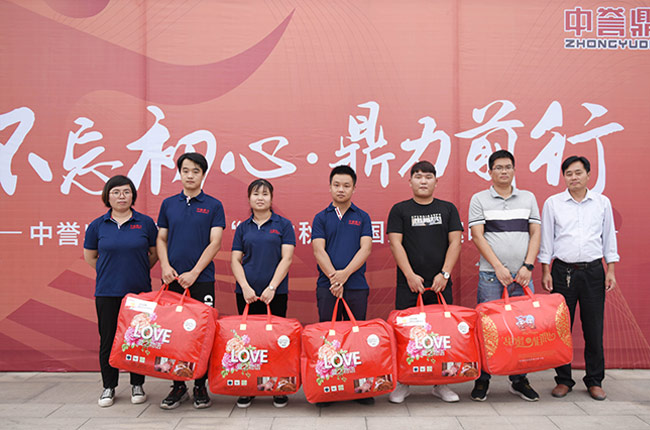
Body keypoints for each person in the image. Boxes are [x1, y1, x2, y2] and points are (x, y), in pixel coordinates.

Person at [539, 155, 619, 401]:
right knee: (561, 328)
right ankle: (564, 380)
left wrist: (610, 269)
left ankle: (594, 380)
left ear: (588, 175)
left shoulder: (602, 203)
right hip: (563, 272)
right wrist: (545, 270)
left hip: (594, 271)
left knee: (594, 328)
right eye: (569, 174)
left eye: (578, 173)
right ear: (564, 177)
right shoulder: (553, 203)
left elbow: (609, 237)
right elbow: (547, 239)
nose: (573, 177)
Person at [386, 160, 463, 404]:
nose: (423, 181)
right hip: (409, 284)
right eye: (418, 176)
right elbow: (395, 243)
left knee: (441, 334)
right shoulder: (399, 210)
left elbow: (455, 242)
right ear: (410, 181)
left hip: (440, 284)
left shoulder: (447, 209)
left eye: (428, 177)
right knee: (407, 335)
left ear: (436, 182)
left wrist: (445, 274)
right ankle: (403, 382)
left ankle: (441, 383)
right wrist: (409, 274)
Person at [468, 149, 542, 402]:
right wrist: (498, 267)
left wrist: (528, 266)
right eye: (498, 167)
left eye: (508, 167)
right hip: (492, 276)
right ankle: (483, 379)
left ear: (514, 170)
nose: (503, 171)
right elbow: (477, 236)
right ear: (490, 172)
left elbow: (535, 233)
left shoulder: (528, 198)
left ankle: (519, 380)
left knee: (523, 331)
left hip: (522, 277)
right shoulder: (479, 199)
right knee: (487, 329)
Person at [157, 152, 225, 409]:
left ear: (203, 174)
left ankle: (199, 385)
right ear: (180, 173)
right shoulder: (168, 204)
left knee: (202, 333)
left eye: (196, 171)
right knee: (172, 332)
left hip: (201, 279)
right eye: (185, 170)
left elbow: (215, 242)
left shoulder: (214, 205)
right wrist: (165, 266)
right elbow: (161, 239)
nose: (190, 175)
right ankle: (177, 386)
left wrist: (195, 272)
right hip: (172, 279)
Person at [83, 175, 158, 407]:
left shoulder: (145, 223)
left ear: (133, 195)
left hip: (139, 293)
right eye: (115, 192)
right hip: (107, 291)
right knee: (108, 339)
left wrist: (136, 269)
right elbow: (90, 257)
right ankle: (109, 386)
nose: (121, 196)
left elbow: (154, 254)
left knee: (138, 339)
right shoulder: (97, 225)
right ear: (107, 197)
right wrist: (111, 271)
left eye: (126, 192)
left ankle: (137, 384)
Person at [230, 179, 296, 409]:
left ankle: (277, 386)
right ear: (249, 198)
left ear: (271, 198)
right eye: (256, 194)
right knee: (248, 341)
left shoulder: (283, 225)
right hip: (246, 294)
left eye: (265, 194)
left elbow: (287, 258)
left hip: (275, 293)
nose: (260, 198)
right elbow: (235, 260)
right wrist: (245, 287)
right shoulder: (243, 228)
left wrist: (272, 287)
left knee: (275, 341)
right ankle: (249, 387)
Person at [311, 165, 373, 405]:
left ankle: (360, 388)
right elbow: (319, 250)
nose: (341, 189)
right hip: (327, 286)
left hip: (356, 286)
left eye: (346, 185)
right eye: (336, 185)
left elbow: (365, 249)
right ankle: (329, 388)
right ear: (329, 187)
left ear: (354, 188)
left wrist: (344, 275)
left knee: (356, 339)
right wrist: (333, 278)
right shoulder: (321, 217)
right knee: (330, 338)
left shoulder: (362, 217)